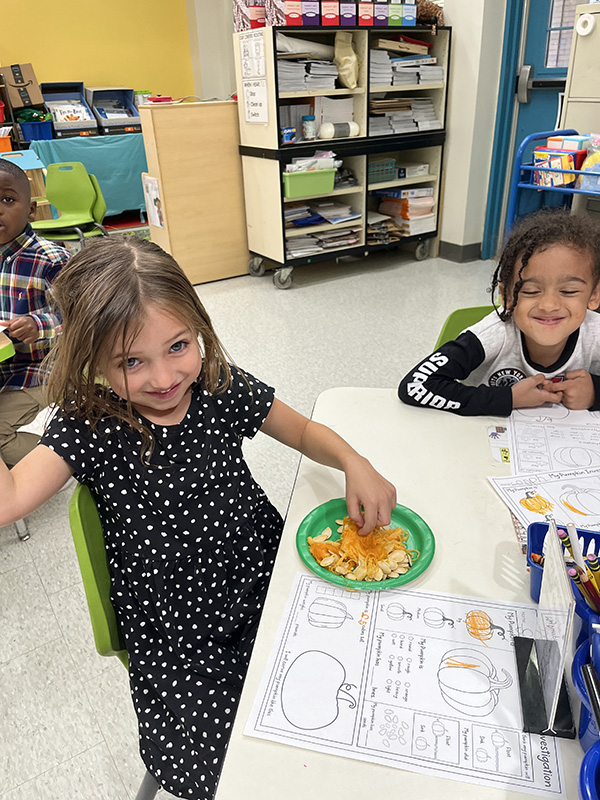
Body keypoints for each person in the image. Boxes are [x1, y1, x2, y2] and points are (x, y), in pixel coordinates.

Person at [0, 235, 396, 800]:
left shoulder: (216, 383)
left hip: (263, 576)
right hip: (179, 634)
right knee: (238, 772)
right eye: (130, 362)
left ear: (199, 330)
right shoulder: (88, 422)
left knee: (360, 692)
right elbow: (8, 498)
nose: (163, 378)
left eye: (179, 346)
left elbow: (303, 430)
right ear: (91, 359)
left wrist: (354, 462)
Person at [398, 209, 600, 416]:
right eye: (530, 291)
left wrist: (595, 392)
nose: (548, 305)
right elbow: (415, 385)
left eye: (568, 291)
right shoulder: (493, 335)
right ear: (508, 297)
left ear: (594, 295)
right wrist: (508, 398)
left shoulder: (595, 332)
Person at [0, 158, 69, 465]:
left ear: (31, 209)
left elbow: (82, 314)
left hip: (41, 369)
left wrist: (39, 324)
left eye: (7, 199)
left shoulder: (50, 258)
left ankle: (68, 459)